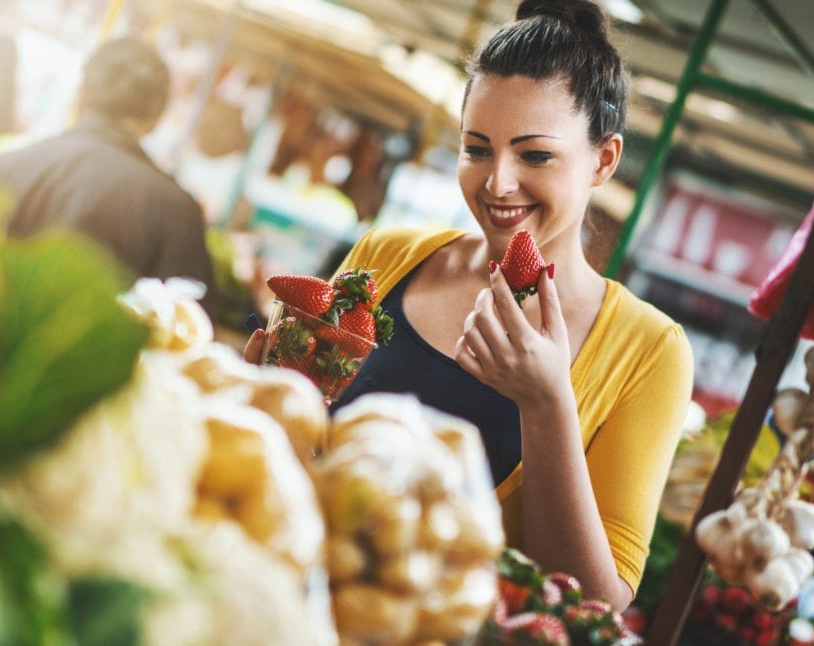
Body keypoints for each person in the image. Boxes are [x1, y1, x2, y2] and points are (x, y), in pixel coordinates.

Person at [246, 0, 693, 609]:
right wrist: (276, 391)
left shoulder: (650, 351)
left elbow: (597, 600)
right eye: (477, 148)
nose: (498, 182)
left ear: (603, 160)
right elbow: (299, 446)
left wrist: (546, 402)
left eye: (535, 155)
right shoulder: (386, 252)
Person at [0, 36, 217, 316]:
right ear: (156, 117)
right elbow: (189, 332)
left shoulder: (1, 167)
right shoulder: (178, 211)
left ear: (82, 96)